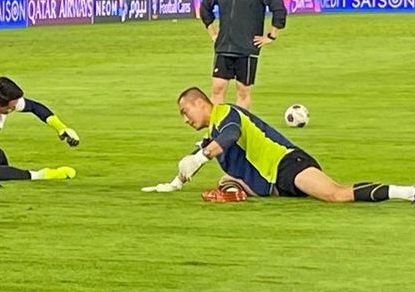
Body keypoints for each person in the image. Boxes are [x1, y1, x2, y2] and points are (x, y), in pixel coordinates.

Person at [141, 87, 415, 204]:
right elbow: (203, 150)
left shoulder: (224, 113)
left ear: (200, 103)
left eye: (184, 111)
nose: (184, 119)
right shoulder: (212, 130)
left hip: (288, 165)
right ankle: (236, 194)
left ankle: (406, 192)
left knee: (336, 195)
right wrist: (175, 182)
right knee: (227, 177)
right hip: (272, 184)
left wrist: (200, 158)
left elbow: (229, 137)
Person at [199, 0, 286, 109]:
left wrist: (271, 35)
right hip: (224, 47)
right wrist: (213, 33)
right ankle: (217, 131)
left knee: (243, 91)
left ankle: (241, 129)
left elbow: (279, 8)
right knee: (217, 89)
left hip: (247, 48)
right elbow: (204, 9)